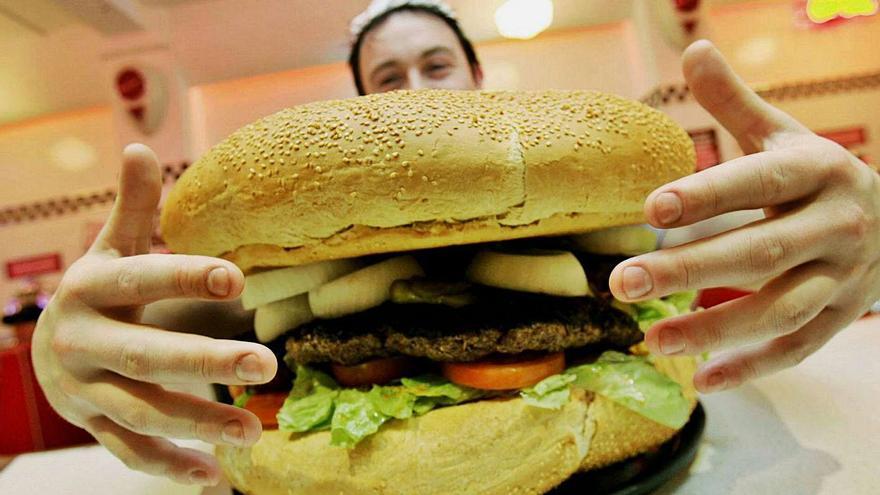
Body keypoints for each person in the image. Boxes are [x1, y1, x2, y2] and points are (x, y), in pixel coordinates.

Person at [31, 0, 880, 485]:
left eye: (435, 65)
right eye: (387, 80)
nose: (415, 90)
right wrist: (70, 343)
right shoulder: (285, 219)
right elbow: (192, 314)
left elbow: (732, 229)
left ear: (477, 77)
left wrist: (861, 219)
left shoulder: (607, 182)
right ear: (358, 106)